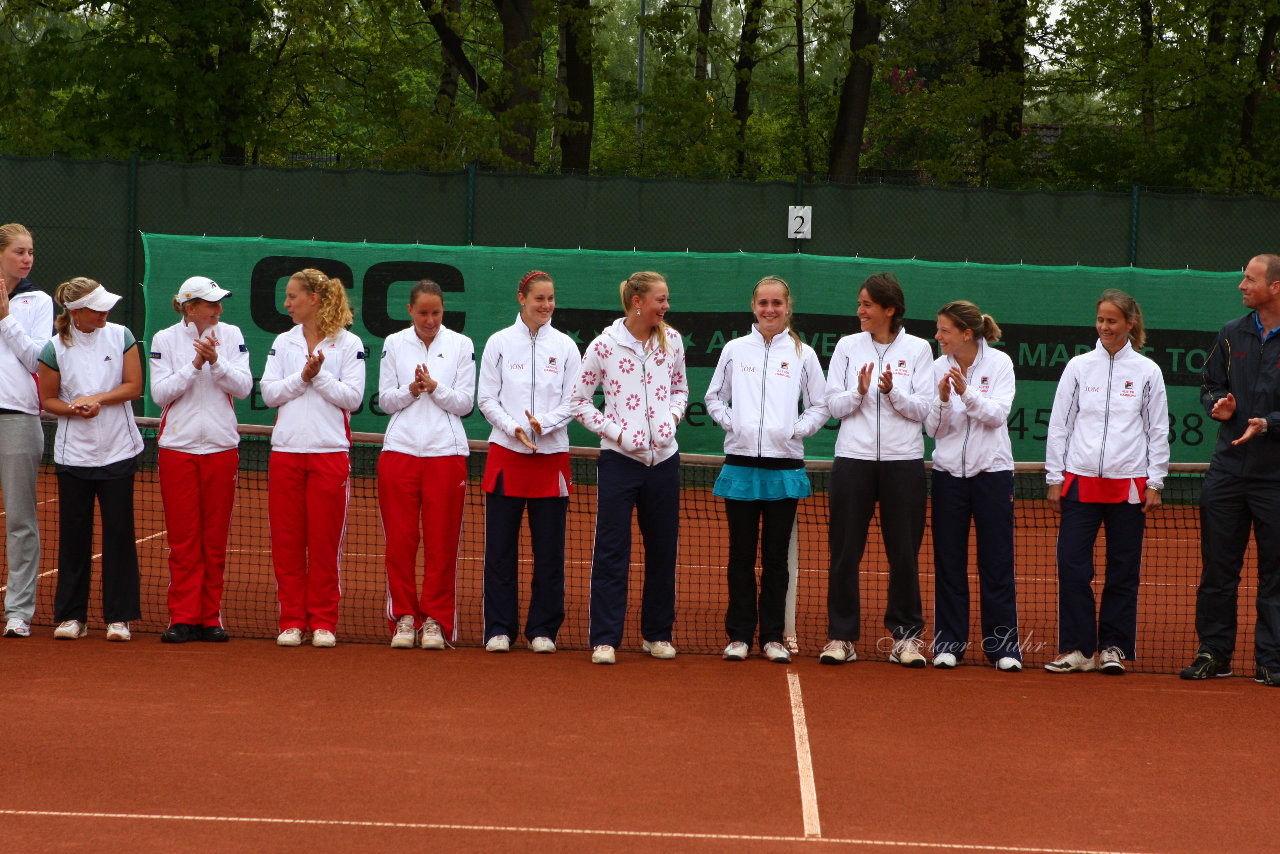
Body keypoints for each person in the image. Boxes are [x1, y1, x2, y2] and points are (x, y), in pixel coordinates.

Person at [1044, 289, 1168, 674]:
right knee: (1072, 565)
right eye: (1100, 320)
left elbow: (1157, 430)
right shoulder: (1079, 367)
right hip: (1080, 484)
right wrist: (1054, 477)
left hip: (1129, 486)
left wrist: (1156, 481)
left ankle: (1112, 647)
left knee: (1123, 569)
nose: (1104, 327)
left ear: (1130, 324)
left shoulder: (1147, 371)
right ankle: (1078, 650)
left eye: (1112, 321)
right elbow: (1060, 424)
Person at [705, 276, 828, 664]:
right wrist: (733, 423)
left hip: (784, 467)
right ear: (753, 306)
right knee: (740, 556)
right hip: (741, 464)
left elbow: (820, 405)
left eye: (777, 303)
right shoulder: (735, 350)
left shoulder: (804, 354)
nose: (770, 309)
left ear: (787, 307)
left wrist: (795, 429)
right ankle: (740, 635)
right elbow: (713, 397)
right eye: (763, 303)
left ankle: (772, 636)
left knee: (776, 559)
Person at [571, 270, 688, 665]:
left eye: (667, 299)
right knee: (611, 550)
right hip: (619, 462)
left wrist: (671, 419)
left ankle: (657, 634)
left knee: (662, 551)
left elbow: (680, 389)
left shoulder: (671, 341)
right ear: (638, 302)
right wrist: (617, 433)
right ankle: (605, 639)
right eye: (661, 299)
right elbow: (580, 402)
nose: (666, 307)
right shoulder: (603, 346)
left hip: (665, 463)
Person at [821, 272, 933, 667]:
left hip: (904, 464)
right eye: (859, 303)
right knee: (844, 553)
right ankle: (842, 637)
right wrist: (860, 392)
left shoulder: (919, 350)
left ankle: (906, 639)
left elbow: (925, 409)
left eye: (867, 304)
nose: (860, 311)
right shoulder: (848, 347)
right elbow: (832, 404)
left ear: (890, 309)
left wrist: (892, 392)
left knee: (904, 554)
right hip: (853, 460)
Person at [1181, 254, 1280, 686]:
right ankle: (1214, 652)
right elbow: (1209, 383)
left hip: (1275, 478)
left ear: (1275, 287)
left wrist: (1269, 423)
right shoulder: (1230, 334)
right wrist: (1217, 405)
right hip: (1226, 472)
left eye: (1250, 279)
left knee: (1275, 571)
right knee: (1218, 569)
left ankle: (1271, 659)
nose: (1241, 285)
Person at [260, 268, 366, 649]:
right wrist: (303, 377)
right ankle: (291, 621)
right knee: (287, 543)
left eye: (292, 297)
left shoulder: (349, 343)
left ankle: (323, 621)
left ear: (314, 300)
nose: (287, 304)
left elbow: (352, 398)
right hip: (286, 454)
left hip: (329, 454)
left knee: (324, 543)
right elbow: (270, 394)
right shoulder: (282, 342)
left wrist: (316, 376)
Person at [477, 271, 580, 654]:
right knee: (500, 551)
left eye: (551, 298)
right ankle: (499, 629)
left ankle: (543, 630)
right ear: (521, 298)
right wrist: (515, 428)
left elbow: (574, 401)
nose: (546, 305)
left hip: (551, 459)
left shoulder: (567, 346)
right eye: (539, 298)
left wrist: (543, 425)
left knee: (549, 552)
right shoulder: (499, 343)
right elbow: (486, 398)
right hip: (506, 455)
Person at [38, 277, 143, 641]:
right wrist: (73, 408)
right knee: (73, 537)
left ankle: (119, 617)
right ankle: (71, 617)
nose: (105, 312)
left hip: (119, 450)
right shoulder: (53, 348)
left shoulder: (121, 335)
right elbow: (48, 400)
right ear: (76, 312)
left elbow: (133, 386)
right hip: (73, 456)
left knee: (119, 535)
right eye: (97, 307)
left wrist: (97, 398)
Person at [149, 276, 252, 643]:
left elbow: (243, 387)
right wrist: (195, 364)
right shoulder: (164, 339)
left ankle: (210, 617)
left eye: (220, 303)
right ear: (190, 307)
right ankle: (183, 617)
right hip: (178, 449)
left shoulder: (232, 333)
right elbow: (160, 394)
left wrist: (217, 362)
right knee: (183, 539)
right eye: (212, 304)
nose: (219, 309)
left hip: (222, 449)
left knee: (214, 539)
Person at [924, 300, 1022, 671]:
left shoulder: (1000, 364)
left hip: (993, 476)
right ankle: (948, 643)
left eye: (944, 330)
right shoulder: (937, 368)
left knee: (996, 564)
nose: (938, 336)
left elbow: (997, 416)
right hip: (948, 477)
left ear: (966, 333)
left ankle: (1004, 648)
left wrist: (965, 391)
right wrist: (945, 400)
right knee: (949, 563)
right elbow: (934, 430)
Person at [378, 279, 474, 651]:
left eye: (436, 312)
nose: (430, 320)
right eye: (423, 313)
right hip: (399, 453)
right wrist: (410, 391)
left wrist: (434, 388)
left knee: (441, 542)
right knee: (400, 542)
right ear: (410, 311)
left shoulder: (461, 345)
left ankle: (434, 620)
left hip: (446, 456)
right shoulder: (394, 343)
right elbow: (385, 400)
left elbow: (465, 403)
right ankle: (404, 617)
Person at [0, 224, 52, 639]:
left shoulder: (38, 301)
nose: (28, 258)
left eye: (31, 252)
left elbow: (38, 360)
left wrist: (5, 318)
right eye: (20, 251)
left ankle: (18, 612)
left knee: (20, 520)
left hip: (18, 418)